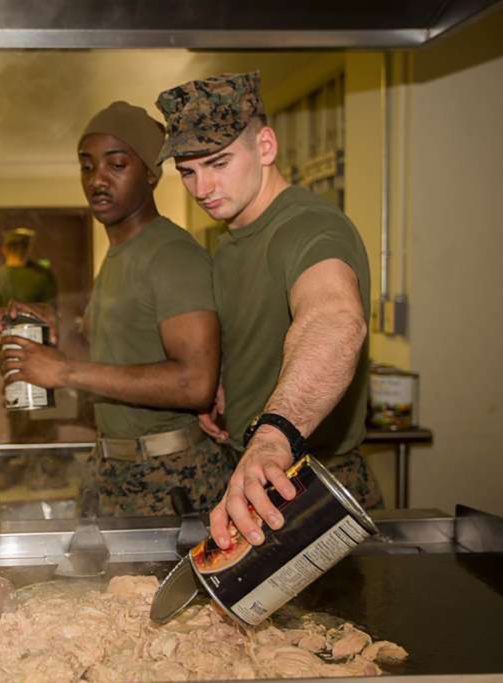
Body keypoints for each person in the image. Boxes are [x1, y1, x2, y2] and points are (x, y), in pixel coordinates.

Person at [154, 72, 382, 549]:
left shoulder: (309, 227)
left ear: (265, 146)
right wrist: (226, 388)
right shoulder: (229, 239)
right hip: (250, 472)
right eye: (188, 171)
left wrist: (273, 434)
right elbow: (257, 330)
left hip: (312, 483)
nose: (201, 187)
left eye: (218, 163)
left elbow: (334, 320)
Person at [0, 101, 236, 516]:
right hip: (115, 469)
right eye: (86, 166)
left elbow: (195, 381)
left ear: (149, 172)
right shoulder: (119, 254)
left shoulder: (171, 255)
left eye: (117, 165)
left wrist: (64, 371)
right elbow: (119, 351)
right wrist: (56, 326)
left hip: (171, 478)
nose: (97, 180)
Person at [0, 227, 60, 486]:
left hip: (5, 352)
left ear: (5, 249)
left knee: (7, 413)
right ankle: (40, 471)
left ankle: (6, 470)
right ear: (28, 250)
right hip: (38, 353)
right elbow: (52, 317)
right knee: (40, 413)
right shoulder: (43, 278)